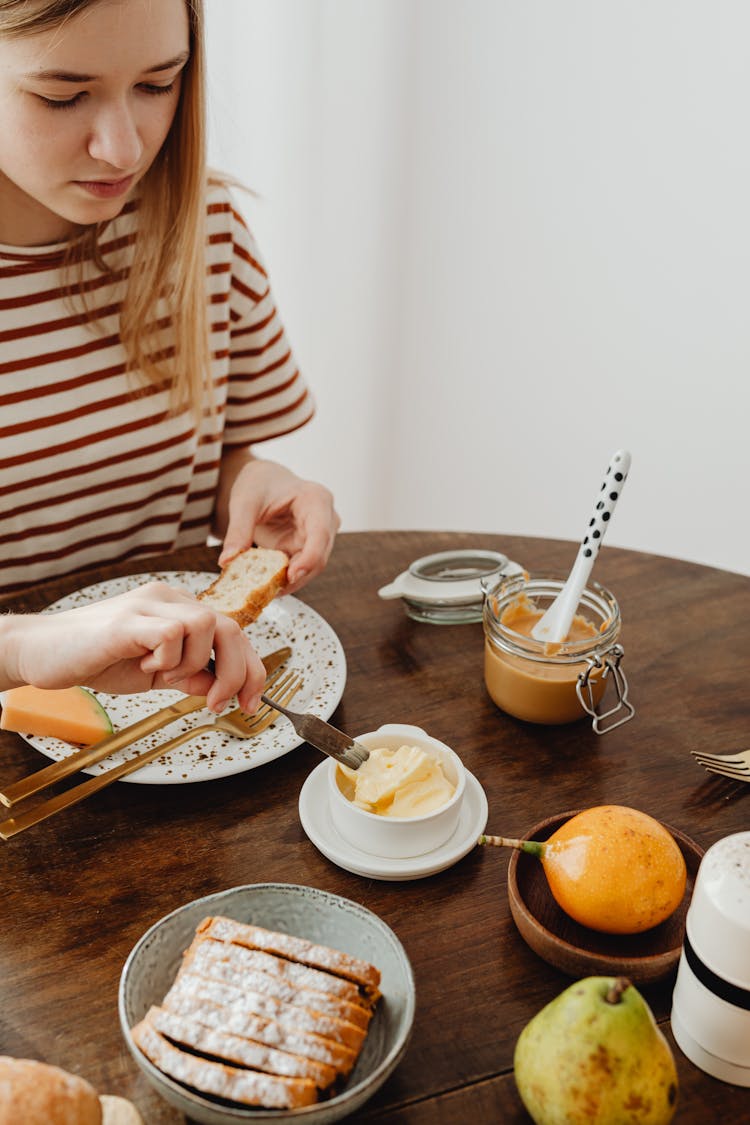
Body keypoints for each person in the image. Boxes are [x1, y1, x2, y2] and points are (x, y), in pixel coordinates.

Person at [0, 0, 339, 709]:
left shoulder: (208, 232)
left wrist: (252, 486)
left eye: (159, 84)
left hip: (181, 724)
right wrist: (31, 648)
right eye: (64, 95)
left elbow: (208, 463)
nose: (125, 148)